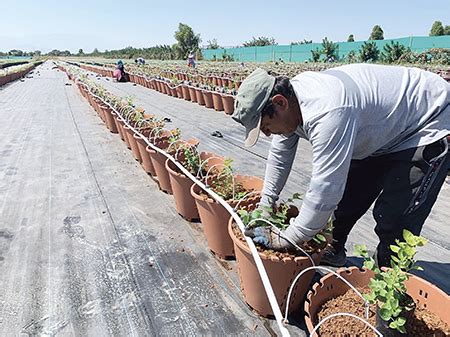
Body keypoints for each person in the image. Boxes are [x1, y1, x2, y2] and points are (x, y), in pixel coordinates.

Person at [232, 64, 450, 267]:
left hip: (426, 122)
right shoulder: (290, 104)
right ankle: (332, 249)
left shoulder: (328, 111)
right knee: (347, 201)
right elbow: (279, 157)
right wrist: (266, 204)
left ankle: (388, 281)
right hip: (381, 128)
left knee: (395, 219)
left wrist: (288, 238)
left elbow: (325, 190)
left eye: (266, 126)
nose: (267, 134)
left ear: (280, 103)